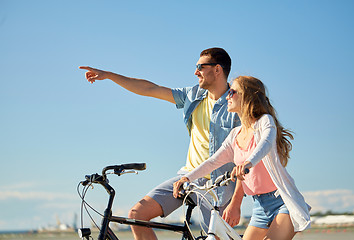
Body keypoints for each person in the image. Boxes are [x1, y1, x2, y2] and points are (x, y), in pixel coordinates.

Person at [79, 47, 241, 240]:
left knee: (215, 237)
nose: (195, 72)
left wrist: (236, 203)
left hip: (217, 186)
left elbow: (245, 160)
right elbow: (149, 88)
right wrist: (109, 75)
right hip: (186, 178)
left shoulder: (237, 104)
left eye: (200, 67)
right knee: (137, 215)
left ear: (217, 70)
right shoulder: (193, 96)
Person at [173, 76, 311, 240]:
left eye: (232, 92)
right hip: (259, 206)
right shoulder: (234, 135)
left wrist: (248, 163)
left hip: (282, 202)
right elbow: (213, 161)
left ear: (248, 96)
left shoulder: (264, 122)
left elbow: (265, 144)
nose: (227, 96)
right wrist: (187, 177)